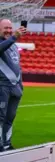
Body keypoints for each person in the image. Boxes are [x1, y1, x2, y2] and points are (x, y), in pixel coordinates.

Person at [0, 19, 26, 152]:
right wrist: (14, 36)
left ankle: (6, 143)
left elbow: (17, 67)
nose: (9, 31)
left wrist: (20, 85)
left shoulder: (13, 45)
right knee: (0, 117)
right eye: (5, 28)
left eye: (10, 28)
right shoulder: (5, 43)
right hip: (2, 87)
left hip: (15, 88)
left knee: (10, 117)